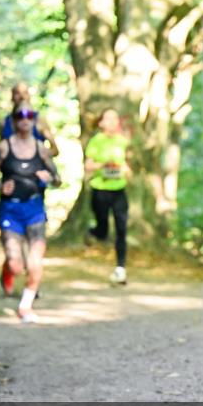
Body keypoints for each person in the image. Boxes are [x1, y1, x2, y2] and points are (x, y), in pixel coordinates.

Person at [0, 103, 62, 323]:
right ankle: (7, 271)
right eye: (20, 115)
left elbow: (58, 179)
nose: (25, 119)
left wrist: (49, 177)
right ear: (14, 121)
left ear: (34, 120)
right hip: (10, 210)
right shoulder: (4, 148)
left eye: (29, 115)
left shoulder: (41, 148)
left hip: (34, 209)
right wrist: (0, 186)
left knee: (35, 262)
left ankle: (25, 306)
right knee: (16, 264)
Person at [84, 109, 131, 285]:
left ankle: (120, 269)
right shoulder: (96, 141)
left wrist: (125, 170)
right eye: (108, 118)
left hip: (119, 190)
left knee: (121, 230)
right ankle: (93, 231)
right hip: (100, 190)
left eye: (115, 118)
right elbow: (88, 166)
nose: (112, 121)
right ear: (101, 123)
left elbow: (125, 164)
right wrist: (102, 165)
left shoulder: (122, 141)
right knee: (102, 231)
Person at [0, 82, 60, 157]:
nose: (22, 97)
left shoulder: (39, 120)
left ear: (29, 96)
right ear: (12, 97)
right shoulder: (4, 123)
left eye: (25, 93)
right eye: (17, 93)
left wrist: (36, 158)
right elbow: (0, 152)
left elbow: (55, 150)